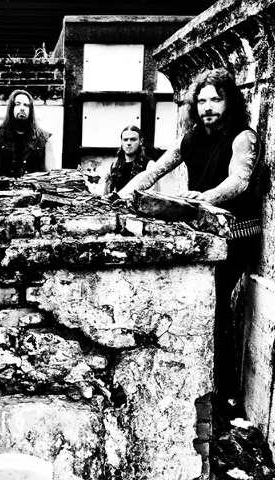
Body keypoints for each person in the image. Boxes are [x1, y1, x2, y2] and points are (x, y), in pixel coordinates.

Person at [118, 68, 262, 405]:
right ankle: (206, 387)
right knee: (202, 307)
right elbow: (155, 170)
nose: (208, 107)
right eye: (202, 101)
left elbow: (239, 180)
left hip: (236, 235)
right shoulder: (191, 138)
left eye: (215, 100)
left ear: (229, 102)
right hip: (205, 235)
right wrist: (120, 196)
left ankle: (224, 393)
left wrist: (204, 198)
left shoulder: (243, 137)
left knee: (216, 308)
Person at [0, 89, 56, 179]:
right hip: (4, 188)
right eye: (18, 104)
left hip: (34, 188)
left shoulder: (44, 139)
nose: (22, 108)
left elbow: (51, 174)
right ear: (11, 108)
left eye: (26, 105)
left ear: (30, 110)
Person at [105, 125, 155, 194]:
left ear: (141, 141)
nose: (128, 143)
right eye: (125, 140)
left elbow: (154, 196)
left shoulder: (149, 166)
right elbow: (106, 194)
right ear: (121, 142)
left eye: (133, 139)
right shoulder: (114, 166)